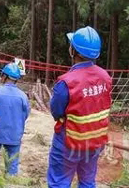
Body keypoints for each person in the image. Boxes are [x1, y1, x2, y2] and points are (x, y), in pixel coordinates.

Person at [47, 26, 112, 188]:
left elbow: (56, 111)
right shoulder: (105, 77)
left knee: (59, 182)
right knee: (87, 182)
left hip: (69, 141)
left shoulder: (66, 82)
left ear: (73, 51)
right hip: (95, 141)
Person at [0, 62, 30, 176]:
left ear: (4, 76)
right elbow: (26, 114)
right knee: (12, 164)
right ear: (16, 79)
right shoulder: (23, 96)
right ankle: (11, 180)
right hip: (14, 135)